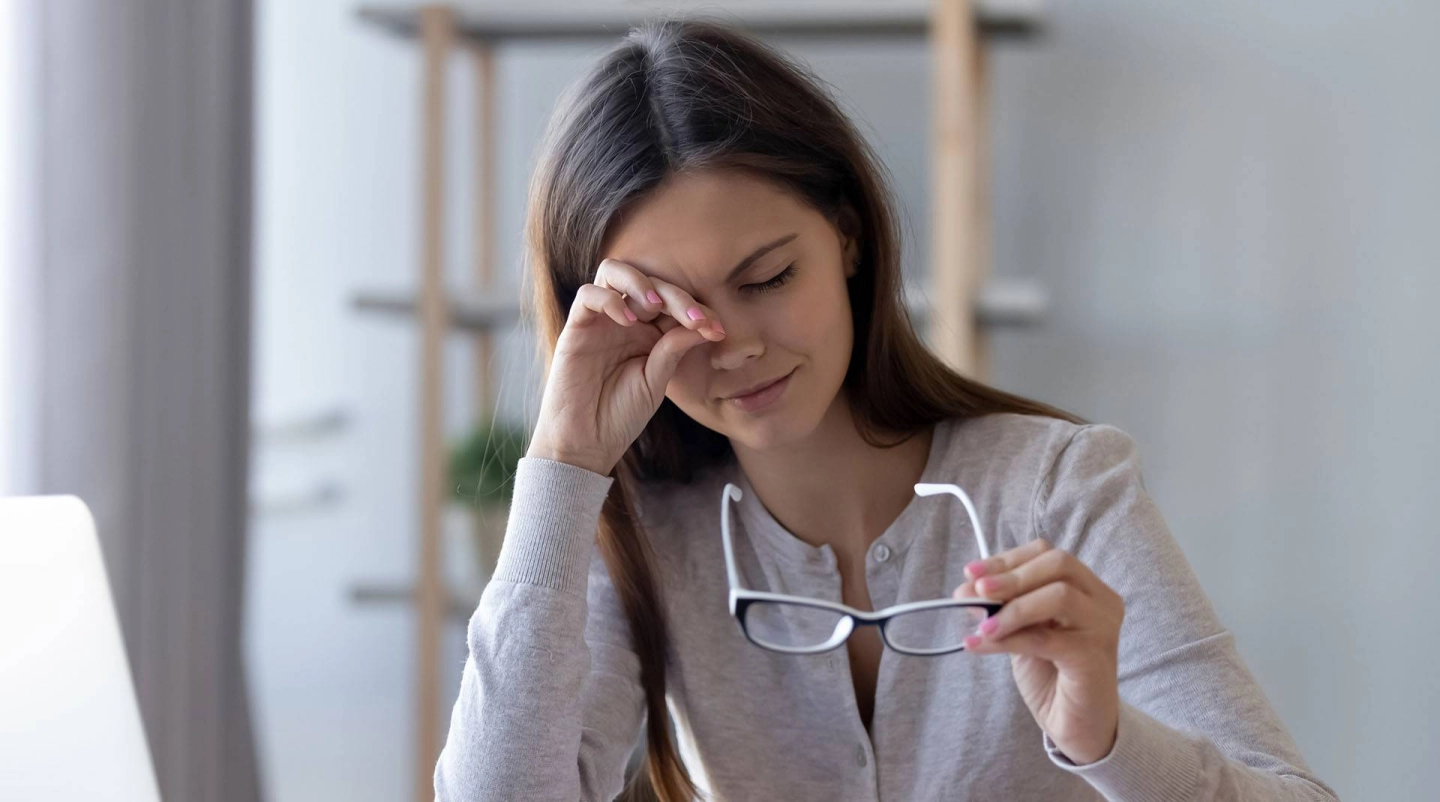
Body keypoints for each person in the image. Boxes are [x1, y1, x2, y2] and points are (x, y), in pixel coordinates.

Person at [434, 19, 1338, 802]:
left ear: (849, 238)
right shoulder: (641, 534)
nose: (734, 346)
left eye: (768, 278)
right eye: (673, 314)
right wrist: (564, 462)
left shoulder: (1056, 487)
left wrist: (1105, 738)